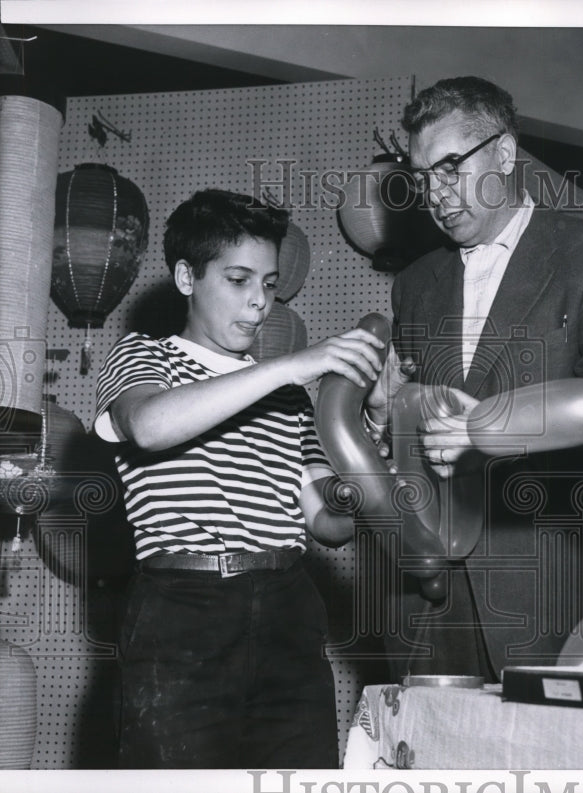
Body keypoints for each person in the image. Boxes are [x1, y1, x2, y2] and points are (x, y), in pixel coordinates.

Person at [365, 76, 583, 681]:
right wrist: (380, 414)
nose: (436, 194)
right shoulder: (414, 284)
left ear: (503, 152)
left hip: (555, 582)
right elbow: (410, 435)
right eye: (421, 179)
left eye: (449, 167)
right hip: (430, 592)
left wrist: (485, 428)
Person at [94, 189, 384, 769]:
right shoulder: (142, 357)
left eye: (269, 284)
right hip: (182, 610)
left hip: (287, 607)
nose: (258, 304)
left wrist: (374, 442)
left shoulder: (287, 399)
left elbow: (327, 522)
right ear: (185, 277)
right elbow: (150, 426)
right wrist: (295, 365)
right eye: (238, 280)